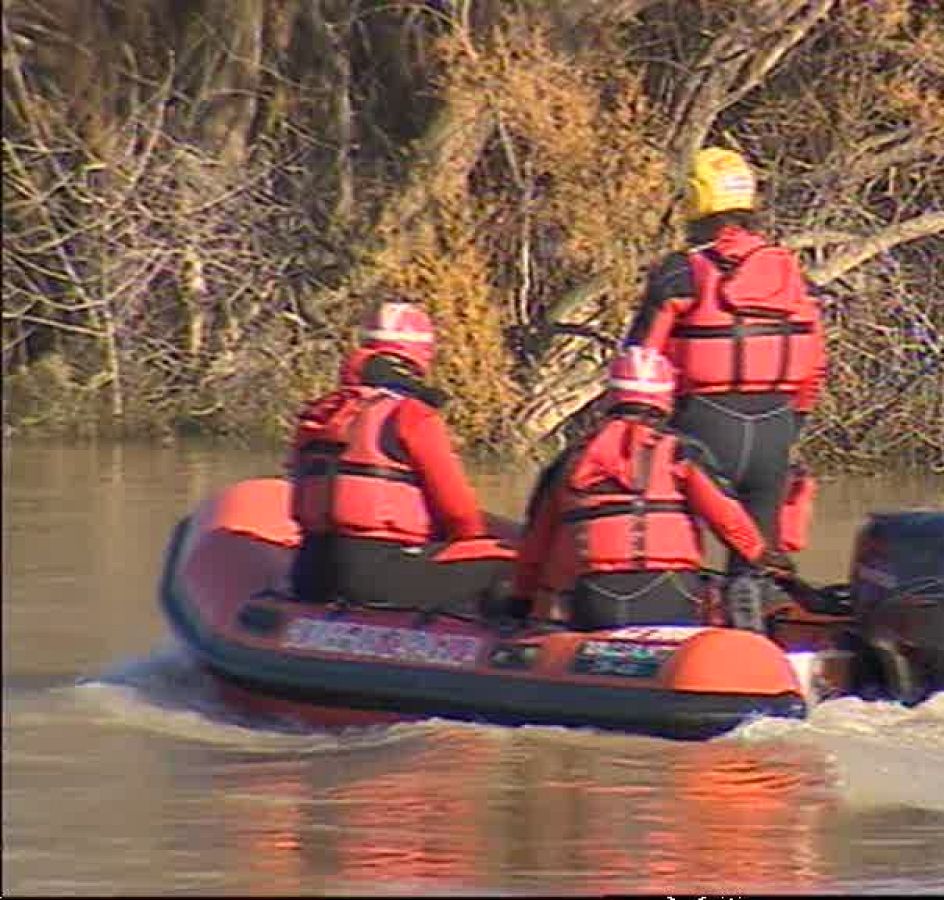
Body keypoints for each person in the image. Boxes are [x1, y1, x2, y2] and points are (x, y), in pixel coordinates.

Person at [623, 147, 826, 622]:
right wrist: (790, 426)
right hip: (775, 428)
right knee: (753, 556)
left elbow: (641, 360)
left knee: (667, 531)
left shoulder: (682, 272)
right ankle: (754, 624)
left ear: (695, 200)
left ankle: (667, 619)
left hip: (701, 425)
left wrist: (633, 432)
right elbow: (814, 366)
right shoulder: (791, 275)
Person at [511, 345, 795, 631]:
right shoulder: (680, 452)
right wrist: (766, 558)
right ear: (666, 399)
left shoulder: (568, 462)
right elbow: (728, 520)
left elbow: (536, 545)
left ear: (610, 398)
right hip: (670, 593)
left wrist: (520, 601)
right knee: (728, 592)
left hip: (594, 599)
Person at [287, 301, 511, 615]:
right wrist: (470, 544)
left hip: (309, 574)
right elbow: (459, 514)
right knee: (509, 567)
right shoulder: (412, 414)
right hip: (374, 576)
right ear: (421, 355)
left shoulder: (323, 412)